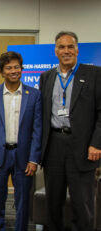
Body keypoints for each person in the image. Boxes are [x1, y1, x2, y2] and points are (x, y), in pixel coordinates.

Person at [39, 31, 101, 231]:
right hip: (54, 145)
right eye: (61, 47)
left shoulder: (94, 74)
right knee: (53, 202)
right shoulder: (46, 77)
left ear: (77, 49)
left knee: (81, 203)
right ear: (55, 50)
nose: (66, 51)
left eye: (70, 46)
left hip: (83, 146)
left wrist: (96, 143)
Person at [0, 51, 42, 231]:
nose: (13, 71)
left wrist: (33, 159)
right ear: (2, 71)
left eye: (16, 67)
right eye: (9, 68)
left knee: (22, 201)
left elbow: (37, 130)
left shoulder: (34, 95)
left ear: (21, 69)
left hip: (23, 157)